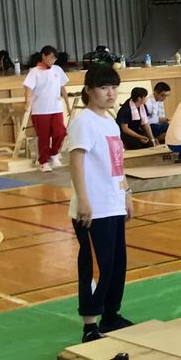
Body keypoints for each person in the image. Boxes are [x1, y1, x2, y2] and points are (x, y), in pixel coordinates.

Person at [66, 64, 133, 343]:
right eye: (104, 87)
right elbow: (76, 160)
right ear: (89, 90)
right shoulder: (84, 122)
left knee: (117, 266)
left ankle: (111, 315)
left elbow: (117, 163)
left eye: (114, 87)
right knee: (96, 266)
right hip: (94, 209)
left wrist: (126, 193)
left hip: (113, 203)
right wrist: (83, 199)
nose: (110, 93)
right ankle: (90, 325)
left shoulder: (110, 122)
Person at [23, 45, 69, 172]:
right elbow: (28, 88)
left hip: (56, 108)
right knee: (43, 137)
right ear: (44, 56)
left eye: (55, 58)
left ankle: (54, 153)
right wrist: (27, 102)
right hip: (40, 110)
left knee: (60, 132)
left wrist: (67, 104)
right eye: (51, 57)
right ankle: (43, 161)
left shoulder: (57, 70)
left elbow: (62, 88)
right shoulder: (34, 72)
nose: (53, 61)